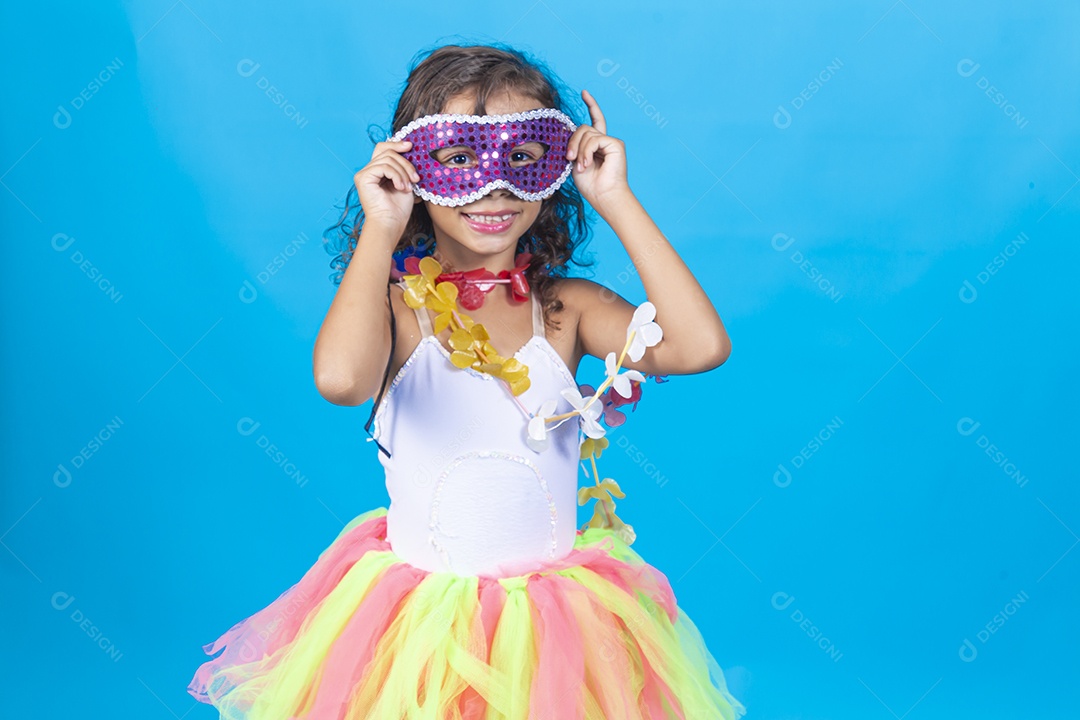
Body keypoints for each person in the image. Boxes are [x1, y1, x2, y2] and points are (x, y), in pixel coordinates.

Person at [187, 42, 746, 719]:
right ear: (411, 171)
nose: (494, 188)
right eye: (458, 160)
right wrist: (381, 228)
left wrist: (614, 197)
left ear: (557, 165)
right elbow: (340, 381)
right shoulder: (399, 311)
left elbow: (699, 346)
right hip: (420, 629)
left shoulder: (566, 309)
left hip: (557, 629)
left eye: (522, 159)